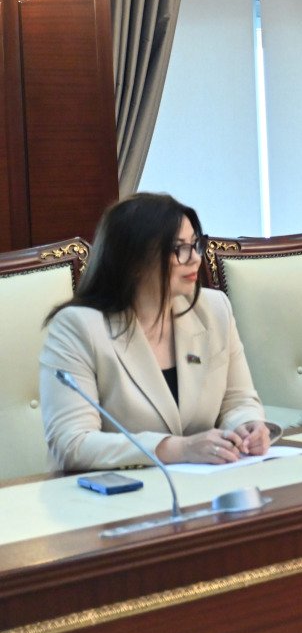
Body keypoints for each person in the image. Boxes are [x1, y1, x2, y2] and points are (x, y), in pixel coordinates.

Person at [39, 194, 271, 472]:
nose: (195, 258)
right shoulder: (78, 327)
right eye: (179, 249)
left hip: (206, 484)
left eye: (195, 244)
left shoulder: (213, 309)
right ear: (134, 260)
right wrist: (177, 449)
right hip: (117, 490)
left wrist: (247, 426)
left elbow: (238, 400)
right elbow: (72, 443)